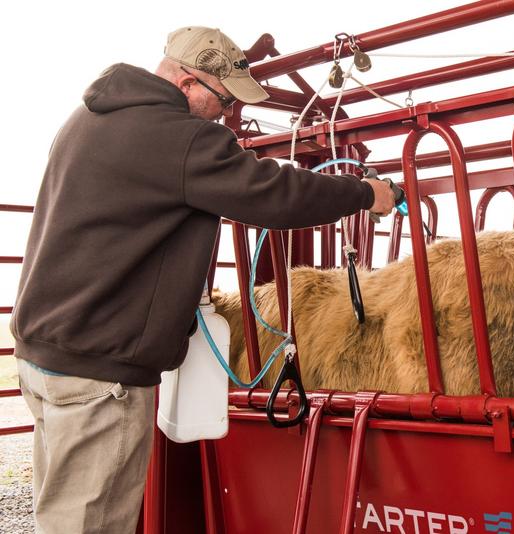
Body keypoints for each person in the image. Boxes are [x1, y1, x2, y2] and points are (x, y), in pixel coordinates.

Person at [11, 26, 394, 533]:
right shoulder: (179, 137)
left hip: (45, 358)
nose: (229, 113)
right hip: (101, 377)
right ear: (189, 82)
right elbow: (274, 193)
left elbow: (120, 229)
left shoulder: (88, 117)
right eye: (224, 99)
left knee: (60, 513)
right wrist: (364, 194)